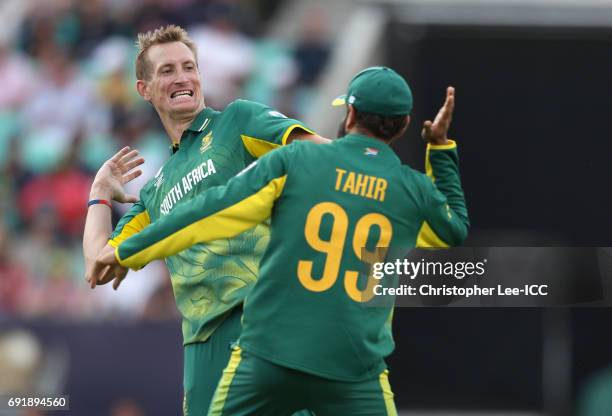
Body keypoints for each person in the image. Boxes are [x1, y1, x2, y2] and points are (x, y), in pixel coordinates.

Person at [91, 66, 469, 415]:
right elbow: (454, 227)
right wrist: (440, 148)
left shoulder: (296, 160)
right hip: (354, 367)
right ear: (403, 125)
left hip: (270, 356)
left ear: (350, 116)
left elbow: (205, 212)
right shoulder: (410, 189)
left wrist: (127, 249)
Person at [83, 24, 326, 415]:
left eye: (189, 67)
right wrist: (98, 192)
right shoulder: (155, 192)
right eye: (167, 70)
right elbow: (97, 264)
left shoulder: (239, 121)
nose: (182, 77)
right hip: (204, 345)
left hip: (267, 323)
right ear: (144, 89)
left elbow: (326, 160)